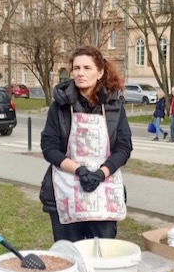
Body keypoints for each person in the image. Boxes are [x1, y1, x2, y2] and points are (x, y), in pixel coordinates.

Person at [39, 44, 132, 242]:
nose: (80, 73)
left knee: (102, 255)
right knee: (71, 256)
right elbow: (49, 147)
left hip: (104, 189)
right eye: (76, 68)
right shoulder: (60, 106)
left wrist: (101, 173)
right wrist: (79, 170)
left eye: (87, 68)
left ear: (100, 72)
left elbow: (124, 147)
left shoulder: (115, 106)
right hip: (66, 186)